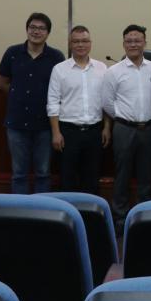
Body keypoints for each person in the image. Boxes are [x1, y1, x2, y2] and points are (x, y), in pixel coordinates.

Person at [0, 12, 65, 194]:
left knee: (43, 173)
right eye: (33, 27)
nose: (36, 31)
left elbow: (61, 89)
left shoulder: (56, 57)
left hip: (45, 125)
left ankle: (42, 209)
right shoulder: (12, 53)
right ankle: (19, 210)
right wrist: (18, 97)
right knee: (19, 173)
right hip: (17, 123)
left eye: (41, 28)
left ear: (48, 33)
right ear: (27, 29)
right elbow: (3, 83)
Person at [102, 24, 151, 230]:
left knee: (147, 175)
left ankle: (145, 218)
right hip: (124, 128)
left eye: (137, 40)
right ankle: (120, 219)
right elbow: (107, 102)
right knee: (122, 175)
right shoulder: (113, 71)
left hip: (150, 128)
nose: (133, 44)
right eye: (129, 41)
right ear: (123, 44)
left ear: (145, 43)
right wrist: (123, 117)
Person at [48, 25, 109, 194]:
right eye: (76, 41)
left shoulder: (102, 68)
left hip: (95, 132)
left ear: (90, 43)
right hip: (68, 132)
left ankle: (90, 212)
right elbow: (52, 102)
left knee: (92, 179)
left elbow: (106, 101)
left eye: (84, 41)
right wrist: (56, 133)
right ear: (70, 44)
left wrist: (106, 127)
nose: (80, 45)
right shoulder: (59, 69)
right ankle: (69, 211)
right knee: (67, 179)